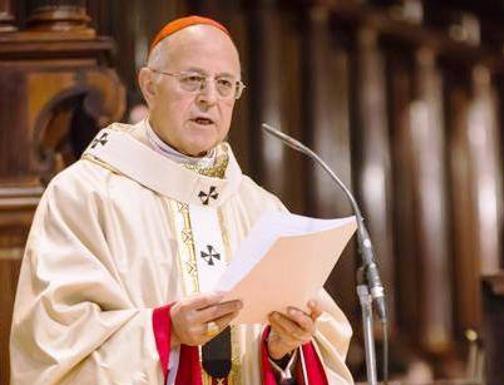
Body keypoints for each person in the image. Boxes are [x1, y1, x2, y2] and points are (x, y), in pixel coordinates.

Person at [10, 16, 353, 385]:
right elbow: (54, 345)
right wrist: (167, 330)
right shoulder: (84, 195)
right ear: (149, 85)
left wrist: (282, 349)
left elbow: (319, 342)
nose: (210, 97)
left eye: (225, 84)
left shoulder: (261, 208)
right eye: (192, 80)